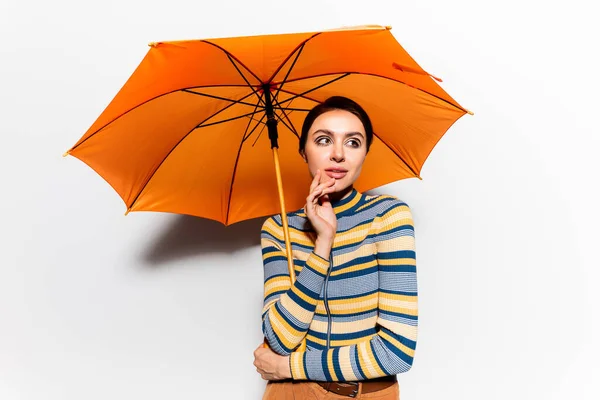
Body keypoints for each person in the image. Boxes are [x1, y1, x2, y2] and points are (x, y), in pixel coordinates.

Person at [254, 96, 418, 399]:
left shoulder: (388, 217)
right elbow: (278, 339)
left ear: (366, 152)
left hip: (368, 393)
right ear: (303, 151)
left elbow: (396, 353)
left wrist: (289, 366)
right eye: (324, 140)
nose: (338, 154)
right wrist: (323, 245)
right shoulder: (278, 229)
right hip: (291, 394)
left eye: (353, 142)